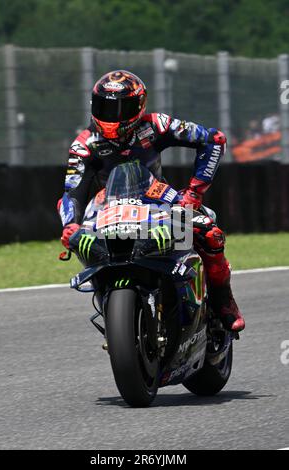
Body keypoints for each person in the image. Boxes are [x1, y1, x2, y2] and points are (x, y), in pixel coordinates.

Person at [58, 70, 245, 332]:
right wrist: (70, 225)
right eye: (106, 107)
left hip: (157, 200)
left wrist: (193, 193)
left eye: (122, 108)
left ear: (140, 106)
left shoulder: (156, 125)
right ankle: (114, 310)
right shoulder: (84, 144)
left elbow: (214, 140)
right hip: (107, 209)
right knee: (81, 241)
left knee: (210, 234)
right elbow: (71, 191)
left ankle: (224, 300)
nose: (114, 116)